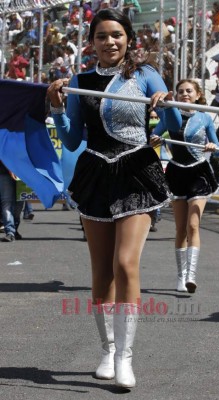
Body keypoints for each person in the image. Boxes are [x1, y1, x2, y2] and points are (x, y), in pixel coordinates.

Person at [47, 8, 181, 389]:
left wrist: (165, 105)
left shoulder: (145, 75)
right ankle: (107, 350)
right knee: (101, 270)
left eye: (117, 35)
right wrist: (57, 108)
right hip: (96, 173)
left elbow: (170, 126)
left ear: (128, 39)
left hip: (136, 170)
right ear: (92, 42)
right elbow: (72, 139)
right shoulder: (80, 80)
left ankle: (125, 358)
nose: (110, 42)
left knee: (126, 263)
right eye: (102, 36)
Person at [151, 79, 219, 294]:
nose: (184, 94)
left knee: (193, 225)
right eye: (180, 91)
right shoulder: (170, 115)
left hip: (199, 173)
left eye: (189, 91)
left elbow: (217, 148)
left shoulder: (205, 118)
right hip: (176, 172)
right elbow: (154, 135)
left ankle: (191, 275)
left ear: (198, 94)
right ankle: (180, 276)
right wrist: (155, 139)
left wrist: (211, 146)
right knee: (180, 228)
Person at [0, 161, 24, 242]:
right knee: (7, 202)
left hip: (22, 172)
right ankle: (10, 232)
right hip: (4, 172)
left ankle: (14, 229)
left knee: (19, 205)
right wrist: (10, 168)